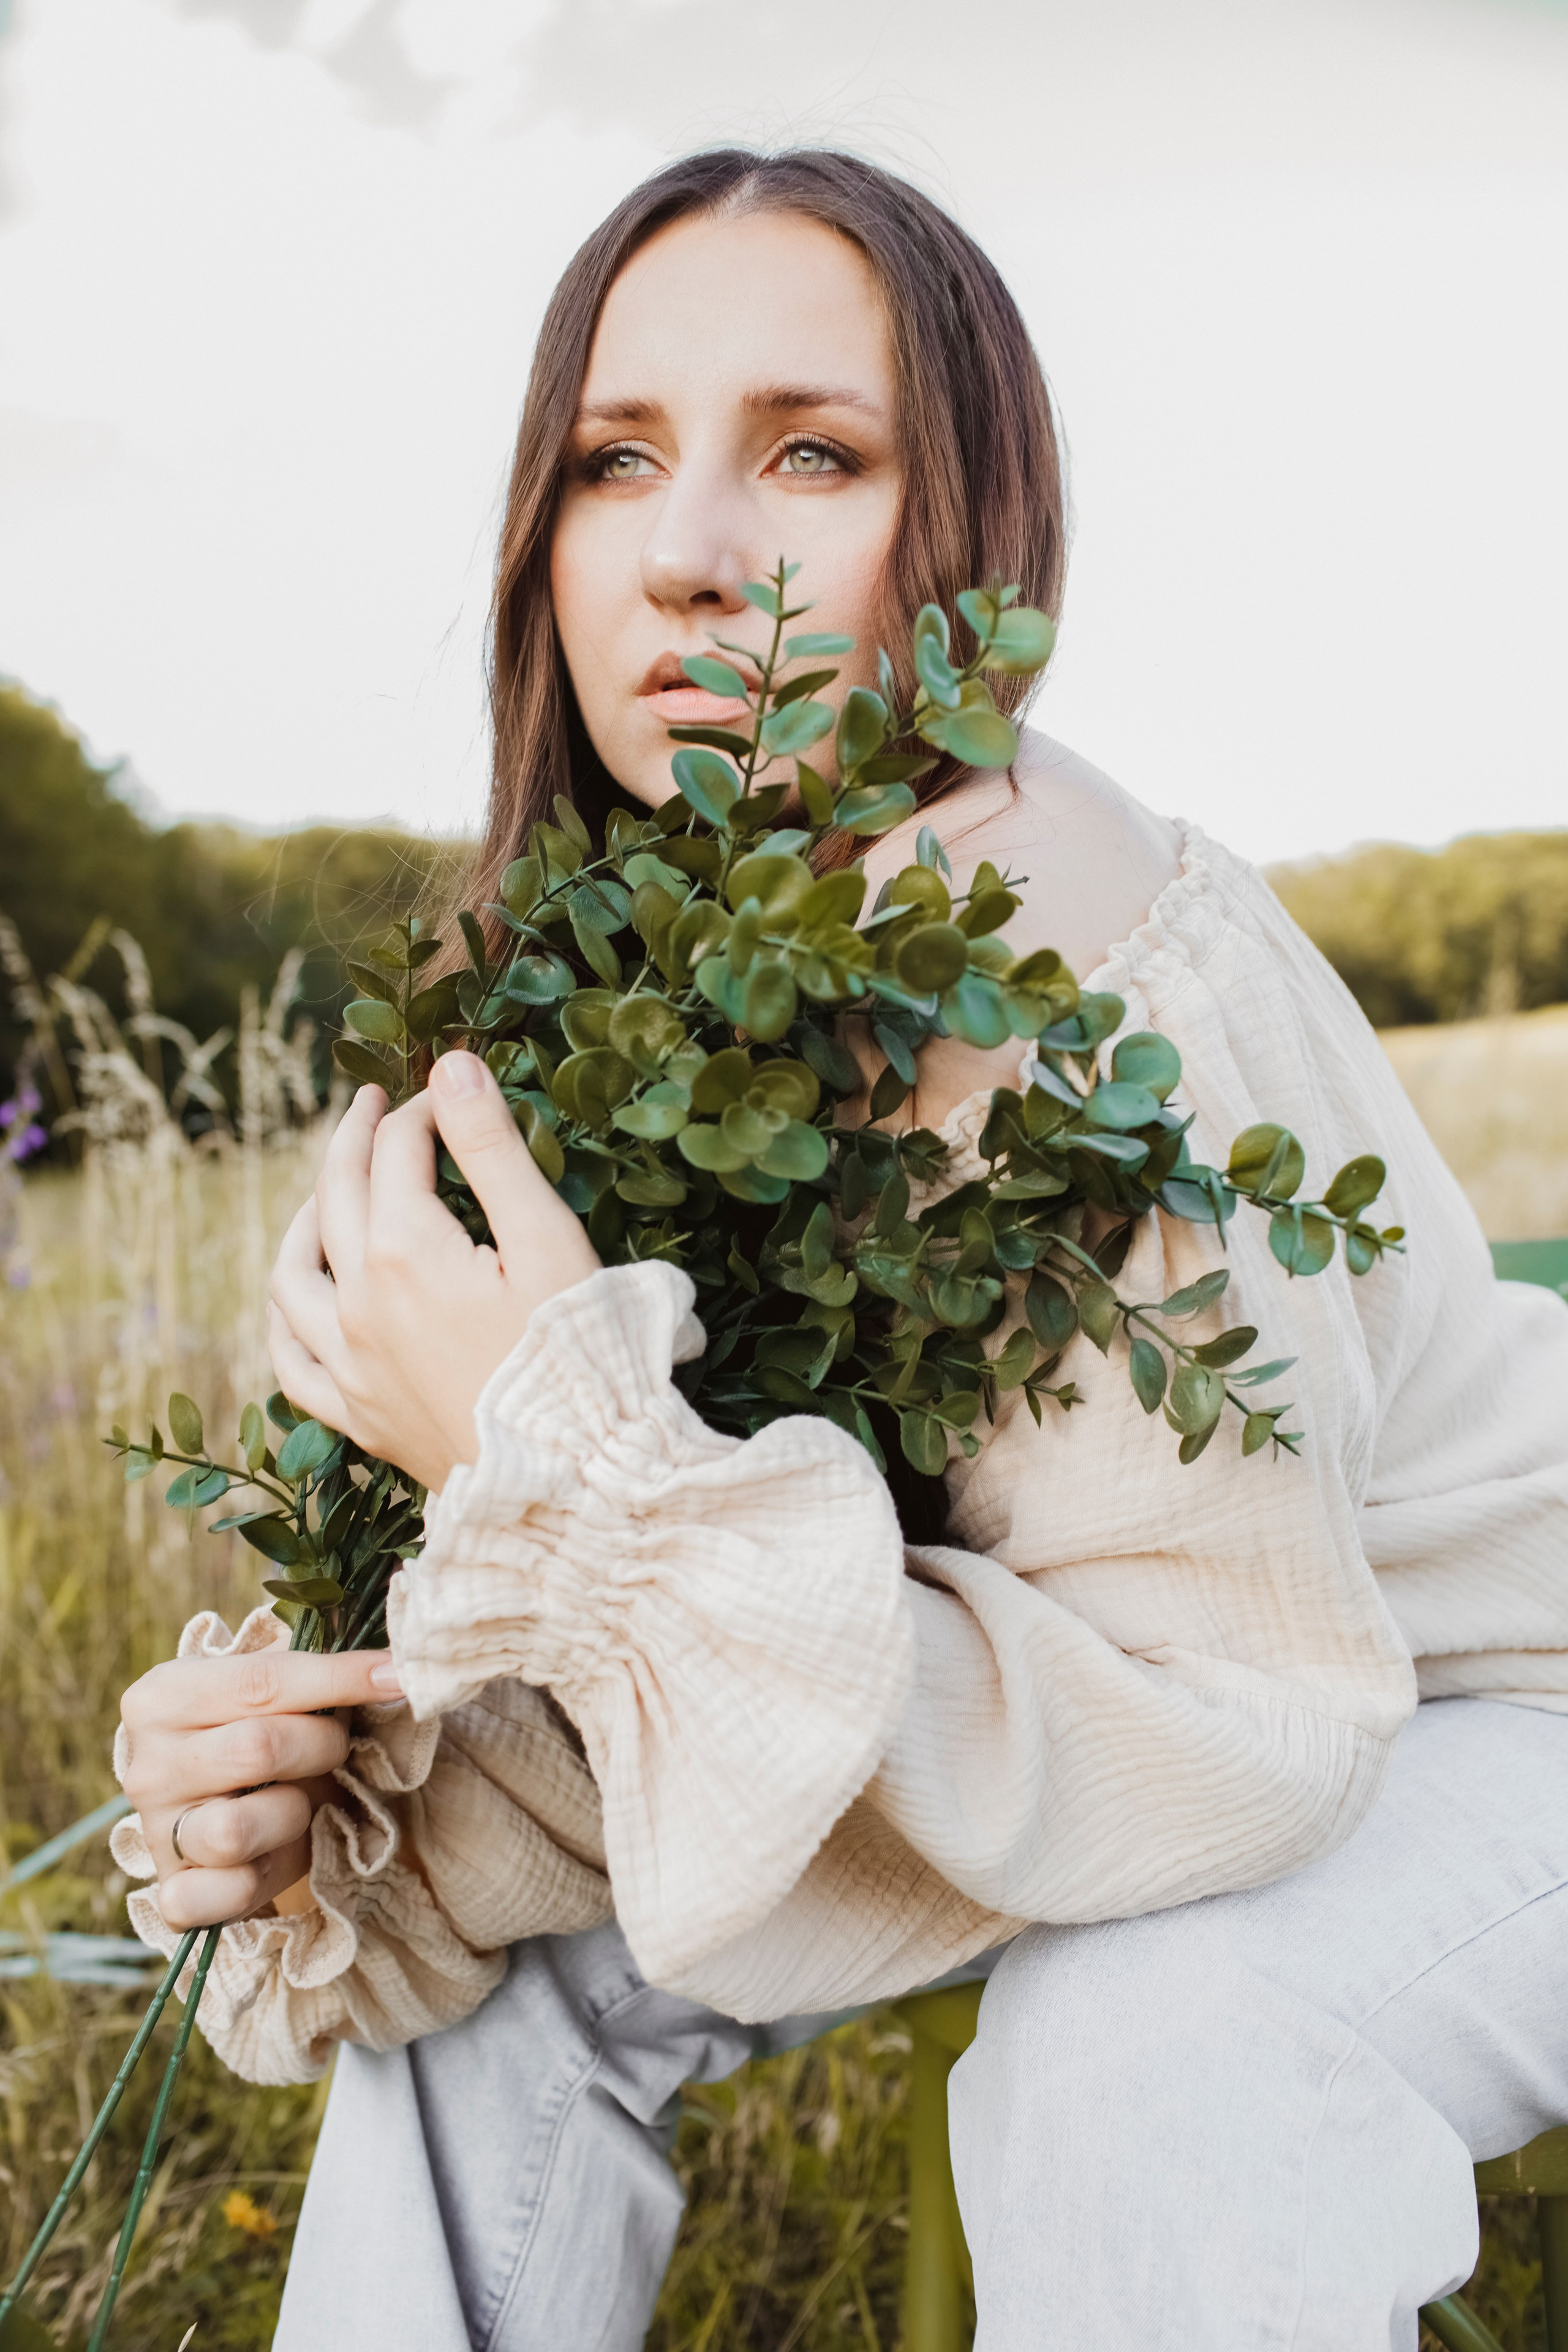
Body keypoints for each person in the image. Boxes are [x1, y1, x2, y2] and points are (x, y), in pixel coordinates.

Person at [110, 150, 1568, 2350]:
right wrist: (337, 1800)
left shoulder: (1076, 976)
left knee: (1141, 2050)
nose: (691, 559)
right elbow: (683, 1666)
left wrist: (587, 1482)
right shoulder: (617, 1020)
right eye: (615, 460)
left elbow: (1237, 1734)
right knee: (469, 2016)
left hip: (1472, 1700)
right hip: (1052, 1729)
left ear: (969, 528)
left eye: (814, 452)